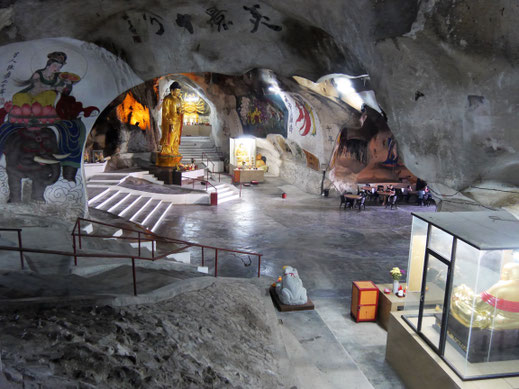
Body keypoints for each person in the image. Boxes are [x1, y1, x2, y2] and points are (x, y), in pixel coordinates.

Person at [450, 263, 519, 330]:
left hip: (497, 321)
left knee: (458, 301)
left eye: (503, 273)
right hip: (515, 322)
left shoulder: (502, 287)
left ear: (508, 274)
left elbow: (479, 304)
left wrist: (463, 292)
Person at [159, 82, 184, 156]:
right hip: (170, 122)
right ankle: (167, 151)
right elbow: (165, 113)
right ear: (172, 90)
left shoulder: (179, 99)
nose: (178, 93)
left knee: (176, 137)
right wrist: (170, 121)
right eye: (176, 91)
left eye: (179, 91)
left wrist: (180, 111)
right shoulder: (167, 99)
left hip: (177, 121)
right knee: (169, 137)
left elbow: (180, 109)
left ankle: (174, 150)